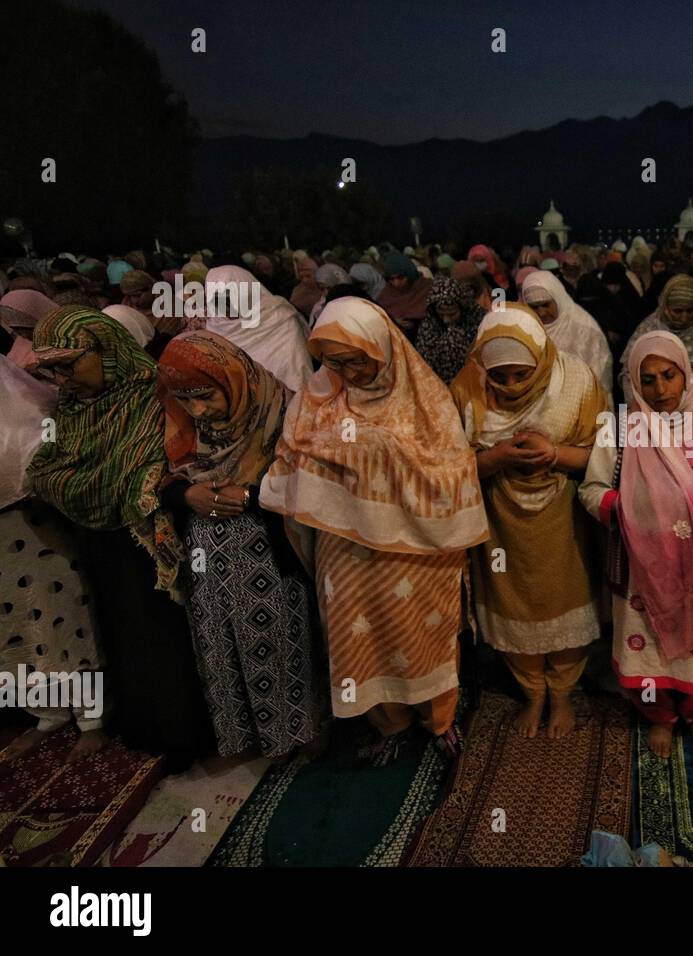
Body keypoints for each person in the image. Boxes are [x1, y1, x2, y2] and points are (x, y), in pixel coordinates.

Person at [259, 297, 488, 754]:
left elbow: (452, 470)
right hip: (345, 549)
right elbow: (292, 451)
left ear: (383, 349)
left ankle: (437, 719)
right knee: (356, 636)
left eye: (358, 360)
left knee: (421, 633)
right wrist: (352, 452)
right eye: (336, 362)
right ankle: (389, 724)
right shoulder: (316, 394)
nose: (349, 372)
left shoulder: (426, 398)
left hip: (417, 549)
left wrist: (375, 449)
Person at [28, 307, 215, 769]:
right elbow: (44, 473)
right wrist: (104, 485)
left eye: (70, 364)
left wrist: (92, 484)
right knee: (121, 636)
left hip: (151, 546)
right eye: (52, 369)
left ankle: (184, 736)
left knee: (162, 639)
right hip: (101, 545)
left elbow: (150, 476)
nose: (62, 378)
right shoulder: (72, 409)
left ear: (106, 348)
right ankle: (143, 728)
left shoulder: (156, 396)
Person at [580, 331, 693, 758]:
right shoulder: (621, 427)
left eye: (669, 375)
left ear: (686, 375)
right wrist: (634, 510)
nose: (660, 390)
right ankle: (659, 717)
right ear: (632, 383)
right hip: (643, 568)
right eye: (647, 379)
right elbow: (591, 489)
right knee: (647, 650)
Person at [157, 332, 326, 759]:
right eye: (185, 399)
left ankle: (298, 732)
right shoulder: (178, 419)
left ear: (230, 379)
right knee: (219, 639)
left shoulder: (280, 410)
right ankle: (243, 735)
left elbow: (314, 480)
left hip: (271, 548)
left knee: (276, 638)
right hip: (206, 551)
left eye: (205, 396)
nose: (196, 410)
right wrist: (186, 496)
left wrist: (253, 497)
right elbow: (158, 478)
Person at [450, 304, 608, 738]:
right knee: (512, 603)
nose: (511, 385)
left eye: (522, 374)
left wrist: (554, 454)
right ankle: (533, 693)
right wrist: (497, 457)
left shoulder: (576, 381)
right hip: (501, 523)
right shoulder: (468, 388)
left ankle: (561, 694)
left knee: (565, 599)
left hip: (565, 518)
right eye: (500, 377)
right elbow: (448, 467)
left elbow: (607, 456)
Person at [0, 355, 108, 761]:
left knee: (59, 618)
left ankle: (90, 717)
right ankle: (46, 714)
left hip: (33, 520)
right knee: (14, 628)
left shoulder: (15, 392)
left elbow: (36, 443)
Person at [204, 265, 314, 394]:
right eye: (216, 301)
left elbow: (298, 378)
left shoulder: (278, 320)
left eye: (228, 299)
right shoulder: (215, 329)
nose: (224, 308)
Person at [625, 274, 693, 404]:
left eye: (690, 311)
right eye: (678, 311)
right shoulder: (649, 329)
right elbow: (630, 375)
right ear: (666, 307)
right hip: (657, 411)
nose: (684, 318)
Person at [521, 270, 614, 395]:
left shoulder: (585, 329)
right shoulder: (524, 327)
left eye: (546, 305)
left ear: (558, 298)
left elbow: (600, 380)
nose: (541, 313)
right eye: (534, 307)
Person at [416, 275, 485, 384]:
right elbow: (423, 361)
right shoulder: (429, 325)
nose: (446, 320)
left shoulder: (477, 318)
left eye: (452, 314)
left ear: (462, 308)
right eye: (441, 314)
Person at [377, 250, 435, 339]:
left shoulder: (426, 287)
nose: (396, 283)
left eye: (400, 277)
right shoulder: (388, 293)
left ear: (410, 274)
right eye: (391, 279)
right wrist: (394, 321)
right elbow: (379, 315)